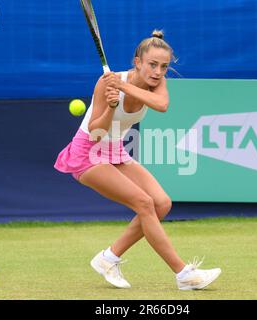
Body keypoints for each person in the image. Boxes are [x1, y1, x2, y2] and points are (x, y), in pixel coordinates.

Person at [54, 30, 221, 290]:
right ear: (137, 62)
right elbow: (97, 132)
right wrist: (111, 106)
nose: (157, 72)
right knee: (144, 203)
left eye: (163, 67)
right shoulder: (105, 83)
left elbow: (162, 105)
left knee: (162, 204)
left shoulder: (154, 83)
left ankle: (108, 258)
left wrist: (122, 87)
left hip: (116, 151)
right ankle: (183, 274)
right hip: (89, 151)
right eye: (152, 65)